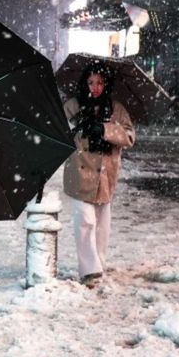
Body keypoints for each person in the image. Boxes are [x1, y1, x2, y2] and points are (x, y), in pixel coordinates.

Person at [62, 62, 136, 289]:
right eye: (91, 82)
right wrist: (76, 129)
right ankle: (89, 270)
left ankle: (99, 264)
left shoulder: (116, 109)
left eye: (100, 83)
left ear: (106, 84)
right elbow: (59, 129)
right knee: (85, 220)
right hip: (79, 171)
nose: (95, 87)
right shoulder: (73, 106)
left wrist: (105, 129)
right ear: (84, 83)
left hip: (106, 175)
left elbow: (130, 136)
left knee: (103, 224)